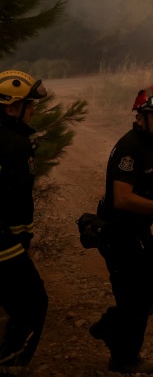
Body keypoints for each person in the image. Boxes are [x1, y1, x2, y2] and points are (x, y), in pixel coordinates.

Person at [88, 83, 153, 375]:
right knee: (133, 300)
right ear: (140, 117)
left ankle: (109, 326)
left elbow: (143, 174)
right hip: (120, 234)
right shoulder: (130, 148)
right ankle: (124, 358)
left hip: (138, 233)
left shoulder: (147, 145)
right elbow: (122, 198)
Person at [0, 71, 49, 372]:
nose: (33, 111)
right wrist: (23, 242)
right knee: (33, 304)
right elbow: (19, 202)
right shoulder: (17, 145)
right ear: (11, 108)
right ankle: (9, 366)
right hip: (4, 242)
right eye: (29, 105)